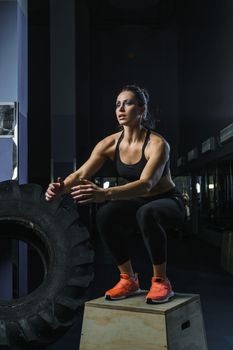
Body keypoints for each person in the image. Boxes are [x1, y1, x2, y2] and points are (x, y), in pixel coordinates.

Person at [45, 84, 185, 304]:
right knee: (105, 215)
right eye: (117, 104)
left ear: (141, 110)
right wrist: (61, 188)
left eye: (127, 103)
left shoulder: (157, 144)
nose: (121, 109)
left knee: (146, 213)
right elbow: (82, 172)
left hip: (168, 200)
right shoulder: (110, 143)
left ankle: (161, 282)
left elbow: (146, 184)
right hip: (138, 201)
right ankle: (128, 279)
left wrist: (105, 193)